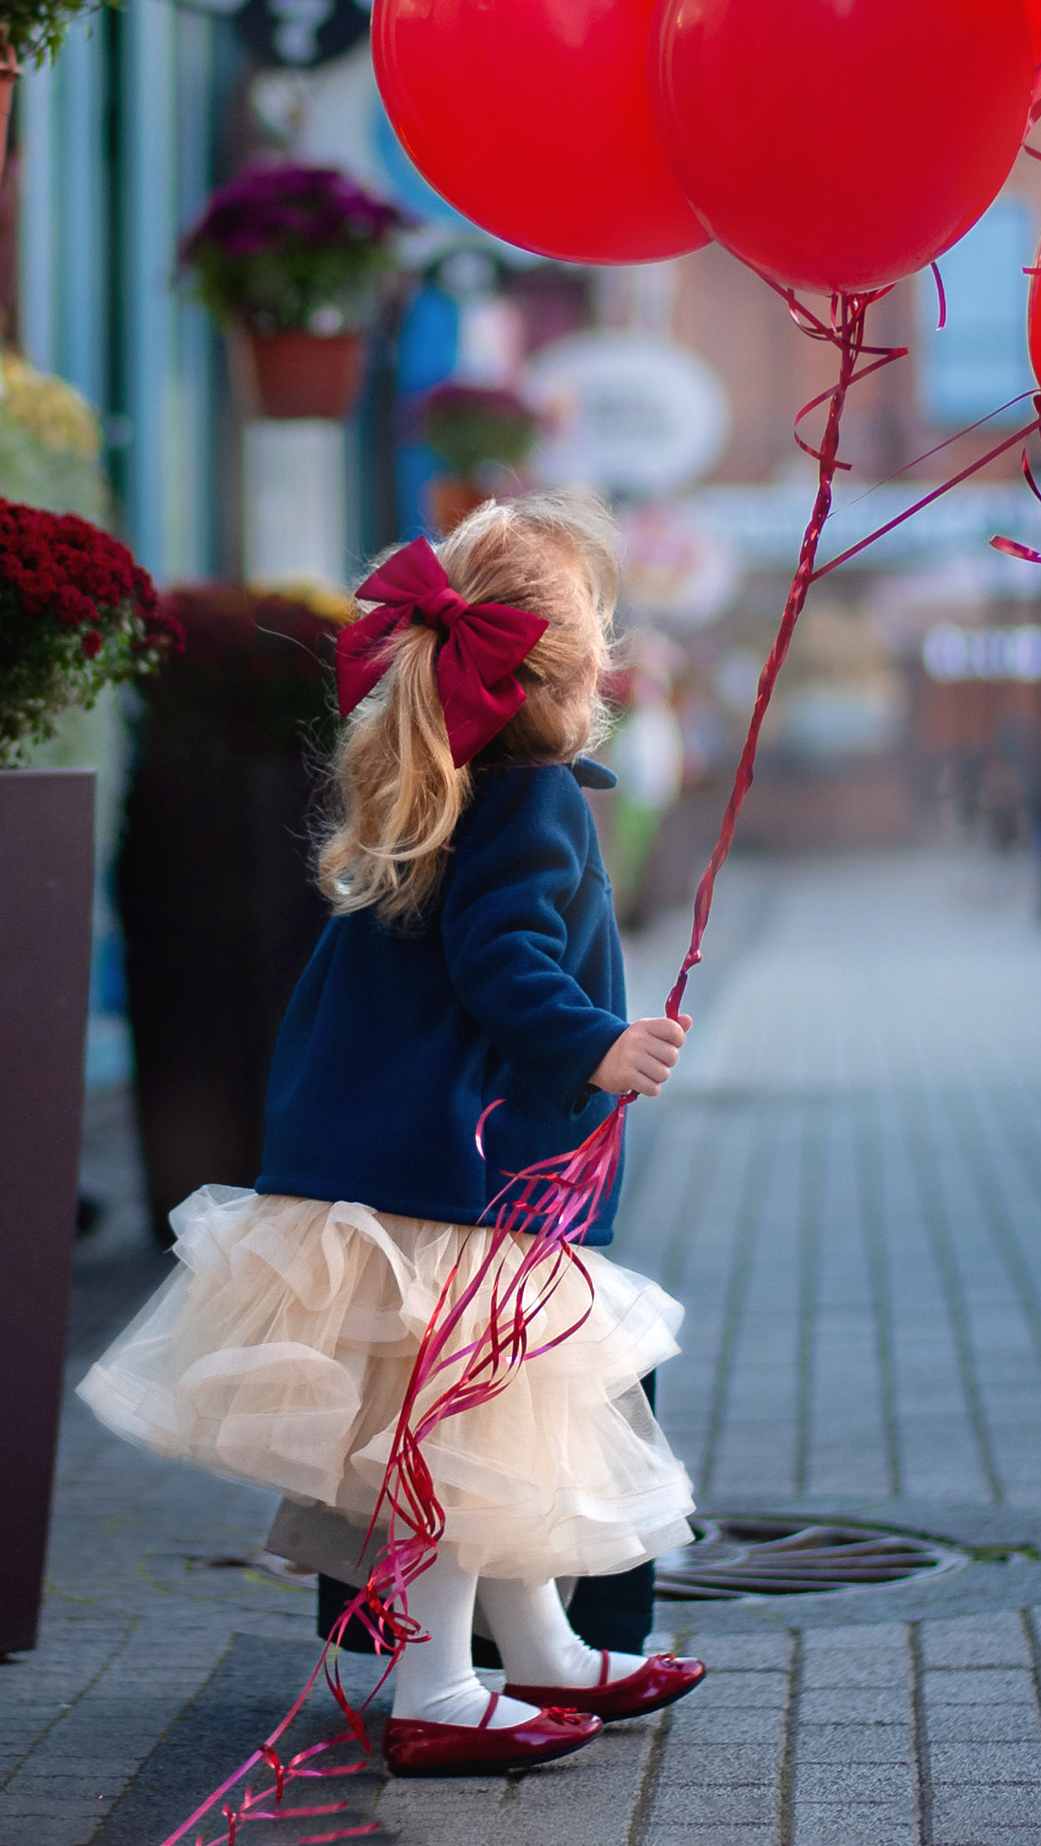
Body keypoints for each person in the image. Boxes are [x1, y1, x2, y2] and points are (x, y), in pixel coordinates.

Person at [79, 492, 705, 1776]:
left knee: (485, 1454)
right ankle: (434, 1683)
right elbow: (506, 959)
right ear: (576, 671)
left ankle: (540, 1651)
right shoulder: (528, 799)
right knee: (462, 1457)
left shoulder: (456, 785)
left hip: (410, 1175)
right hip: (463, 1188)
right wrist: (598, 1045)